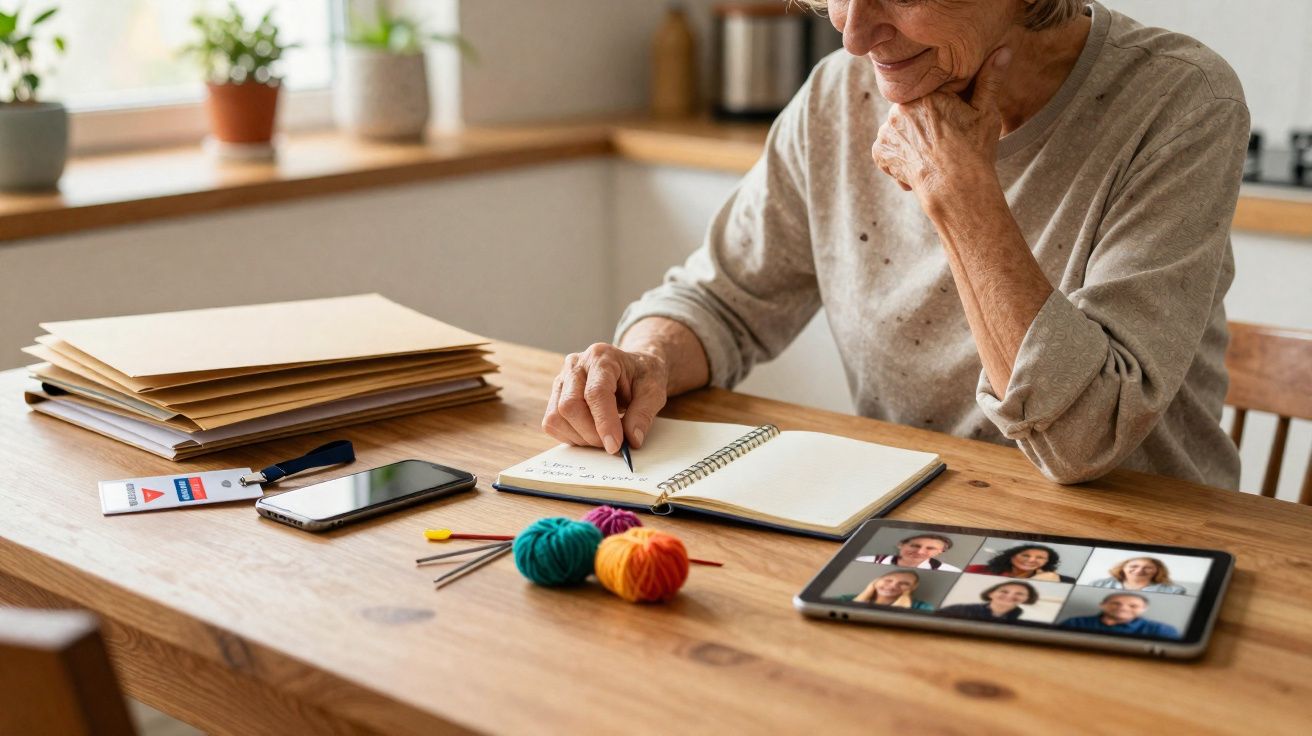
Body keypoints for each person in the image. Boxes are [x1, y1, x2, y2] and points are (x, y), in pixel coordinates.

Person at [540, 0, 1246, 490]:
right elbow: (721, 299)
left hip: (1143, 553)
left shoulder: (1180, 101)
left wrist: (960, 192)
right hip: (913, 532)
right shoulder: (837, 96)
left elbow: (1085, 438)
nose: (851, 34)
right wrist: (645, 358)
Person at [1059, 593, 1181, 638]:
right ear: (1102, 605)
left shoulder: (1162, 630)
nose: (1123, 608)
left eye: (1133, 606)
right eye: (1116, 603)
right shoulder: (1074, 623)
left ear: (1144, 609)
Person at [964, 544, 1073, 582]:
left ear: (1047, 562)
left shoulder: (1063, 580)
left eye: (1040, 557)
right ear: (1011, 556)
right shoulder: (975, 569)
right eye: (1025, 555)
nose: (1031, 560)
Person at [854, 533, 961, 571]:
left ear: (940, 552)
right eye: (914, 545)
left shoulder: (952, 571)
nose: (920, 551)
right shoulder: (865, 561)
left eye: (930, 548)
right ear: (901, 545)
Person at [938, 581, 1038, 622]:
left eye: (1019, 594)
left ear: (1027, 599)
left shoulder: (1023, 622)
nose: (1010, 596)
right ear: (991, 593)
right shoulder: (957, 610)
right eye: (1004, 591)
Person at [837, 570, 935, 610]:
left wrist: (905, 596)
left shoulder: (924, 607)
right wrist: (868, 590)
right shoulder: (845, 598)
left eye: (904, 583)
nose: (893, 586)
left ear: (912, 588)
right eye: (888, 580)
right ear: (876, 581)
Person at [1087, 556, 1187, 594]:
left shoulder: (1175, 590)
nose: (1139, 570)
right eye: (1134, 566)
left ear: (1157, 571)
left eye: (1148, 567)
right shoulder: (1097, 584)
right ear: (1123, 568)